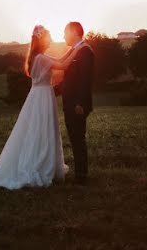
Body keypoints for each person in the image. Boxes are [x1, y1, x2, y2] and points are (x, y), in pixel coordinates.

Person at [0, 25, 78, 189]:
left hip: (36, 96)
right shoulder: (42, 59)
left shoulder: (37, 58)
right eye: (49, 37)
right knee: (43, 129)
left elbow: (58, 61)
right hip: (43, 96)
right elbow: (63, 66)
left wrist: (72, 49)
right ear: (42, 39)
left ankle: (41, 161)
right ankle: (41, 164)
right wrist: (77, 50)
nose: (51, 39)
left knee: (36, 129)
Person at [58, 21, 95, 184]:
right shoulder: (74, 51)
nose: (64, 36)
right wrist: (48, 90)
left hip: (77, 105)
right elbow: (69, 80)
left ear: (74, 32)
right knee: (74, 137)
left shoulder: (85, 51)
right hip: (70, 103)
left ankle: (81, 176)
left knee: (78, 138)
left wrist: (80, 103)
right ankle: (80, 173)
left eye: (65, 32)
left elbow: (85, 80)